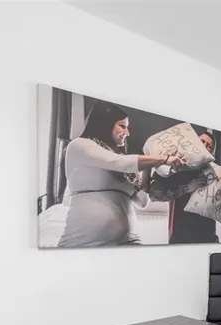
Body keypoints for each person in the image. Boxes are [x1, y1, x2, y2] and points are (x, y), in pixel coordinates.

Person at [57, 102, 185, 247]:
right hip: (83, 242)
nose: (127, 133)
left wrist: (148, 168)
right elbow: (119, 162)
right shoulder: (79, 145)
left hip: (129, 240)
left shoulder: (125, 170)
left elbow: (142, 202)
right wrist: (164, 159)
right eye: (122, 126)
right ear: (105, 124)